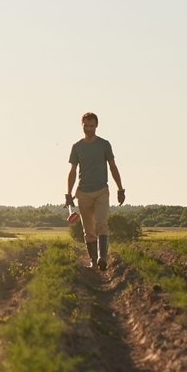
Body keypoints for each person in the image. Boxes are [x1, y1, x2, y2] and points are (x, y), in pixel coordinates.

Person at [65, 111, 125, 272]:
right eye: (86, 126)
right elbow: (72, 171)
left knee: (101, 224)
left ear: (96, 126)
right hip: (83, 192)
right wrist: (68, 193)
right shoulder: (77, 147)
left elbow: (113, 167)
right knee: (88, 230)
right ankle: (93, 261)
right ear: (82, 126)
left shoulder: (104, 145)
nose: (89, 129)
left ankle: (102, 257)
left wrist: (120, 188)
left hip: (101, 191)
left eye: (92, 126)